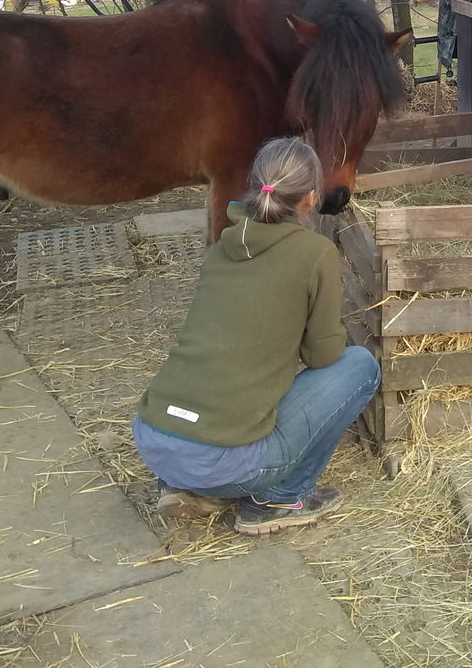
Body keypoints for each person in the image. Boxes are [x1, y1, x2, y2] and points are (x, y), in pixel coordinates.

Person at [132, 136, 380, 535]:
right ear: (311, 198)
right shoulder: (315, 253)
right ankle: (279, 498)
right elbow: (323, 356)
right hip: (223, 459)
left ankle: (190, 487)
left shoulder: (223, 245)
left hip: (155, 440)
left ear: (256, 187)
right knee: (360, 366)